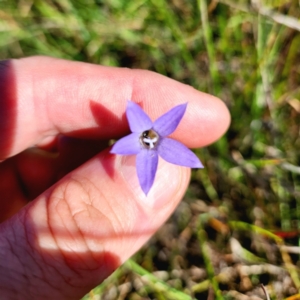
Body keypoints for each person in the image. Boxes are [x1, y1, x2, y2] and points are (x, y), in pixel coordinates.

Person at [0, 56, 230, 299]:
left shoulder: (159, 134)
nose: (150, 138)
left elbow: (164, 133)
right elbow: (128, 132)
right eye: (148, 135)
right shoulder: (137, 133)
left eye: (152, 136)